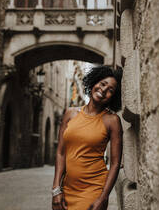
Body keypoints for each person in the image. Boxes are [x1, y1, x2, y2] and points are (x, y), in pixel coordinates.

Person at [52, 65, 123, 210]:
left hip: (93, 189)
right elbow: (61, 153)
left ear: (113, 97)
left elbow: (115, 163)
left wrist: (103, 198)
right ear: (94, 83)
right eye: (102, 84)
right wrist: (56, 189)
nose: (103, 90)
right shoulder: (70, 114)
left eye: (110, 90)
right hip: (67, 189)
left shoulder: (112, 120)